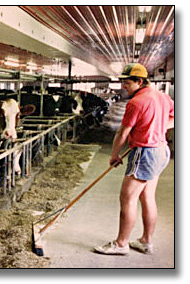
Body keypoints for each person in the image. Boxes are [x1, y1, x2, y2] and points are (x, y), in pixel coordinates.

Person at [94, 63, 174, 255]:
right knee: (147, 197)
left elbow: (123, 132)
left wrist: (114, 155)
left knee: (127, 199)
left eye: (127, 83)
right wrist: (158, 129)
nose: (124, 87)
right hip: (161, 150)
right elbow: (174, 118)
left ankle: (121, 244)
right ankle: (146, 241)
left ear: (139, 81)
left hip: (144, 152)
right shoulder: (164, 97)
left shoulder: (136, 102)